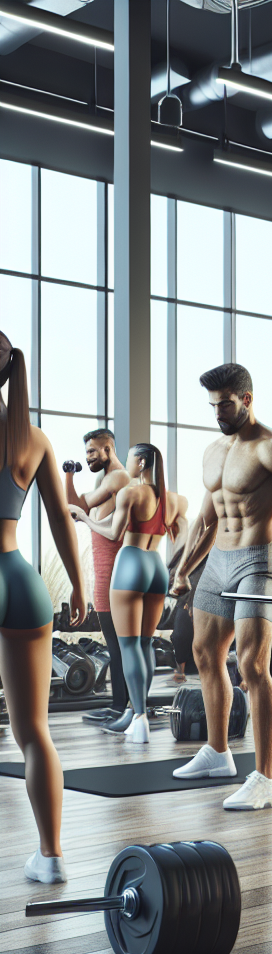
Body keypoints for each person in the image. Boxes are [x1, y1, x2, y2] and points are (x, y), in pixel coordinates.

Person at [169, 363, 272, 810]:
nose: (218, 413)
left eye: (226, 404)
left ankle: (266, 778)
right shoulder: (213, 451)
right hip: (217, 562)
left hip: (259, 560)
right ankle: (217, 752)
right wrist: (183, 569)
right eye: (213, 405)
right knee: (204, 655)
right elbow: (206, 520)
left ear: (247, 399)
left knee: (253, 666)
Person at [0, 333, 86, 883]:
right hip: (21, 579)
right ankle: (50, 856)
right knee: (33, 730)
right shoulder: (32, 439)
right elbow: (60, 520)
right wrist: (80, 586)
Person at [70, 444, 185, 743]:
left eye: (132, 457)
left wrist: (84, 518)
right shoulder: (174, 500)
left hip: (130, 563)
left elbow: (113, 533)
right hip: (157, 567)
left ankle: (139, 719)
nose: (129, 463)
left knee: (129, 645)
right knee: (145, 644)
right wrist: (178, 567)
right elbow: (183, 535)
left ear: (142, 461)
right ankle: (137, 711)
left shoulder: (130, 493)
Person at [64, 429, 130, 728]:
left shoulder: (116, 478)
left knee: (118, 647)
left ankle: (123, 708)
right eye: (86, 452)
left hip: (116, 573)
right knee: (115, 646)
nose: (88, 457)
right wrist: (69, 475)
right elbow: (75, 508)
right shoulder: (105, 481)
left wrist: (80, 508)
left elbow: (79, 511)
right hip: (105, 573)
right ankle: (119, 705)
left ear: (108, 449)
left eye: (93, 452)